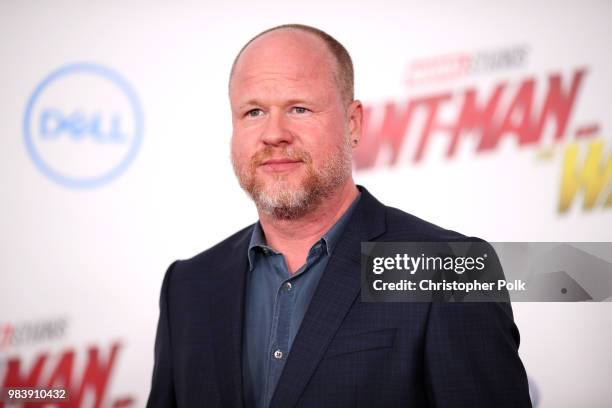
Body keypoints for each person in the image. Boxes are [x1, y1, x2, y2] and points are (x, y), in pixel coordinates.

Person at [146, 24, 532, 408]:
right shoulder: (188, 286)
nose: (274, 133)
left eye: (299, 108)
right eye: (253, 112)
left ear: (353, 124)